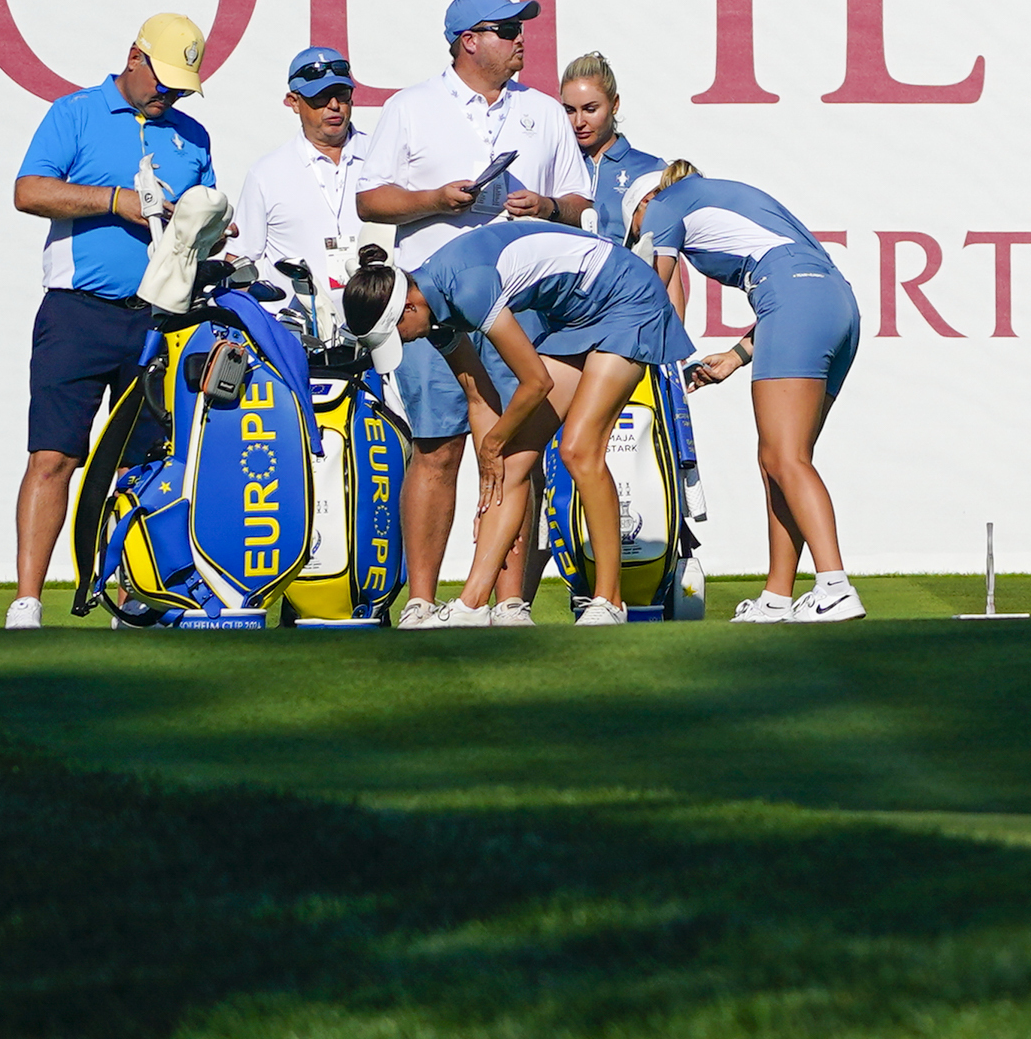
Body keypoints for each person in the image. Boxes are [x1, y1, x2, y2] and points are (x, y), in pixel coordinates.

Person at [352, 0, 595, 627]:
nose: (522, 39)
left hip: (522, 303)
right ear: (469, 41)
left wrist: (544, 208)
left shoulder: (542, 111)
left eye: (522, 28)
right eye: (508, 29)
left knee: (520, 447)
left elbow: (579, 204)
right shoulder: (411, 108)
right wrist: (435, 199)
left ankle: (508, 599)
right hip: (434, 308)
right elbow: (370, 201)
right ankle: (425, 601)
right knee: (438, 446)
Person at [347, 217, 684, 629]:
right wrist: (493, 459)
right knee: (510, 465)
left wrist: (492, 443)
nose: (406, 342)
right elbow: (478, 394)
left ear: (410, 307)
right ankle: (471, 605)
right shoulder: (430, 313)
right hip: (573, 317)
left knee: (578, 450)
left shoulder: (467, 289)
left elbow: (536, 383)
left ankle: (609, 600)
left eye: (398, 334)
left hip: (627, 300)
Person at [4, 15, 215, 628]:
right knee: (54, 455)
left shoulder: (193, 136)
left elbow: (204, 220)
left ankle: (131, 598)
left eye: (180, 87)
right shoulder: (76, 113)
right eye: (164, 81)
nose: (168, 95)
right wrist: (114, 200)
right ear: (134, 57)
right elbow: (29, 190)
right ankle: (27, 600)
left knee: (144, 467)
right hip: (78, 312)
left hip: (160, 319)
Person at [615, 165, 865, 624]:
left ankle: (835, 586)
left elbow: (652, 294)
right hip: (837, 306)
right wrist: (735, 355)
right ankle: (776, 597)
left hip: (792, 303)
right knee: (780, 460)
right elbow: (798, 272)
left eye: (637, 230)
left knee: (784, 458)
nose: (644, 235)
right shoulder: (710, 195)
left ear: (643, 206)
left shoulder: (663, 205)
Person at [227, 45, 369, 343]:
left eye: (341, 94)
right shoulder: (267, 173)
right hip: (295, 337)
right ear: (293, 102)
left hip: (377, 329)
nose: (334, 106)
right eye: (319, 97)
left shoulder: (381, 158)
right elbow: (239, 260)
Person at [558, 51, 665, 245]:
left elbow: (666, 251)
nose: (579, 122)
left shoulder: (651, 170)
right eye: (570, 110)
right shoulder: (554, 165)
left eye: (590, 109)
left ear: (614, 104)